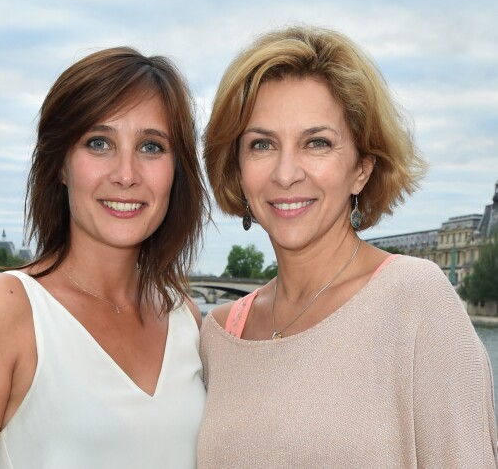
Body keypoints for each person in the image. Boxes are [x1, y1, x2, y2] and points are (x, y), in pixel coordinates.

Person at [198, 24, 497, 468]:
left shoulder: (415, 300)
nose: (286, 173)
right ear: (237, 170)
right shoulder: (220, 335)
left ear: (362, 169)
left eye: (316, 143)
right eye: (262, 144)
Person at [0, 47, 209, 468]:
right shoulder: (0, 312)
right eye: (99, 143)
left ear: (176, 170)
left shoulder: (184, 317)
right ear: (60, 165)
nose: (126, 174)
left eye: (151, 146)